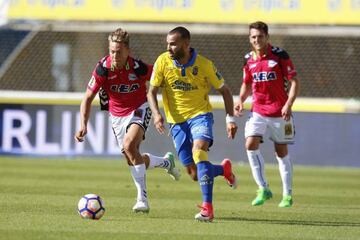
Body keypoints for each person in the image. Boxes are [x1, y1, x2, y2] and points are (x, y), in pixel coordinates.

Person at [74, 28, 181, 213]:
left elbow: (161, 80)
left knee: (130, 145)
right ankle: (166, 162)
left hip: (139, 108)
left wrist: (162, 108)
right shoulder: (102, 69)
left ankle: (142, 199)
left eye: (118, 52)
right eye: (111, 51)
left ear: (127, 51)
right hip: (116, 117)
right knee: (132, 157)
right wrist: (83, 124)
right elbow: (87, 98)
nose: (114, 55)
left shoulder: (138, 67)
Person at [147, 26, 238, 222]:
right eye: (167, 44)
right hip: (176, 121)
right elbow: (151, 92)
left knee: (199, 152)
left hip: (200, 115)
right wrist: (156, 115)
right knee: (195, 174)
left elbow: (225, 91)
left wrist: (230, 119)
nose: (169, 48)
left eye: (173, 44)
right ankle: (223, 170)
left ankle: (208, 209)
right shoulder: (163, 61)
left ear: (186, 44)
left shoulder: (204, 64)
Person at [234, 21, 300, 208]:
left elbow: (294, 82)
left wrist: (288, 104)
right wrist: (241, 100)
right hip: (258, 111)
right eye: (253, 37)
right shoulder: (248, 58)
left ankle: (287, 194)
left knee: (281, 153)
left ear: (267, 37)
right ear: (250, 38)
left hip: (280, 113)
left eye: (260, 36)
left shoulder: (280, 56)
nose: (257, 40)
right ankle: (263, 188)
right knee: (250, 144)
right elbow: (247, 83)